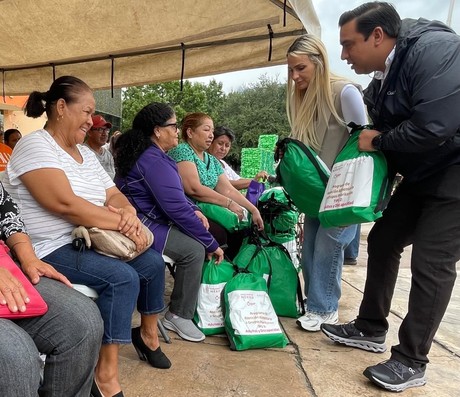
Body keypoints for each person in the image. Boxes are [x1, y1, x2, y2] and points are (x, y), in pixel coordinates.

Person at [321, 2, 460, 392]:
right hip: (425, 172)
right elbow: (374, 119)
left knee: (433, 260)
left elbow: (435, 125)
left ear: (378, 36)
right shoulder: (384, 73)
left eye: (349, 45)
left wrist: (378, 139)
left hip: (455, 172)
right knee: (383, 240)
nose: (345, 55)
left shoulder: (435, 52)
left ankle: (411, 360)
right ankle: (369, 327)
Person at [3, 75, 170, 397]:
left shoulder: (87, 154)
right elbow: (65, 205)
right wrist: (120, 223)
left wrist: (128, 213)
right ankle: (105, 374)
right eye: (87, 111)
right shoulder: (36, 145)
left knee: (150, 263)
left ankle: (148, 336)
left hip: (88, 237)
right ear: (62, 107)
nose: (92, 121)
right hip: (48, 246)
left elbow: (114, 194)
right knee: (122, 278)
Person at [114, 102, 224, 343]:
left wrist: (194, 208)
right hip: (141, 225)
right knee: (194, 250)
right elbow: (174, 208)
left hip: (145, 219)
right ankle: (178, 315)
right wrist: (210, 243)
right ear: (157, 130)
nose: (177, 130)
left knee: (198, 237)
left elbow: (174, 197)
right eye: (173, 125)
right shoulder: (152, 159)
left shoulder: (149, 154)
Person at [285, 34, 367, 332]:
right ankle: (315, 303)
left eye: (301, 68)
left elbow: (364, 139)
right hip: (318, 191)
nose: (295, 77)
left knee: (328, 245)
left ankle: (325, 308)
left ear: (319, 62)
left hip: (344, 192)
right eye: (291, 70)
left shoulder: (344, 92)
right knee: (309, 247)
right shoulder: (304, 98)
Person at [0, 182, 103, 396]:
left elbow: (5, 208)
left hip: (5, 264)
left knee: (83, 322)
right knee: (15, 353)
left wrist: (28, 257)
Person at [168, 112, 264, 258]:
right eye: (206, 130)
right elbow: (194, 189)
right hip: (188, 212)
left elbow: (228, 189)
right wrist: (228, 203)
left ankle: (230, 276)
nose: (211, 135)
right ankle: (210, 278)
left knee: (243, 231)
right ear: (190, 132)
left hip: (210, 210)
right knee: (220, 234)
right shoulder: (183, 151)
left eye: (212, 131)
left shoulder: (211, 160)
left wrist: (253, 210)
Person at [207, 126, 268, 190]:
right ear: (211, 143)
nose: (223, 148)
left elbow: (238, 180)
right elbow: (226, 184)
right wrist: (254, 180)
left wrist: (256, 179)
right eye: (220, 144)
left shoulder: (223, 163)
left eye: (227, 145)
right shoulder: (207, 162)